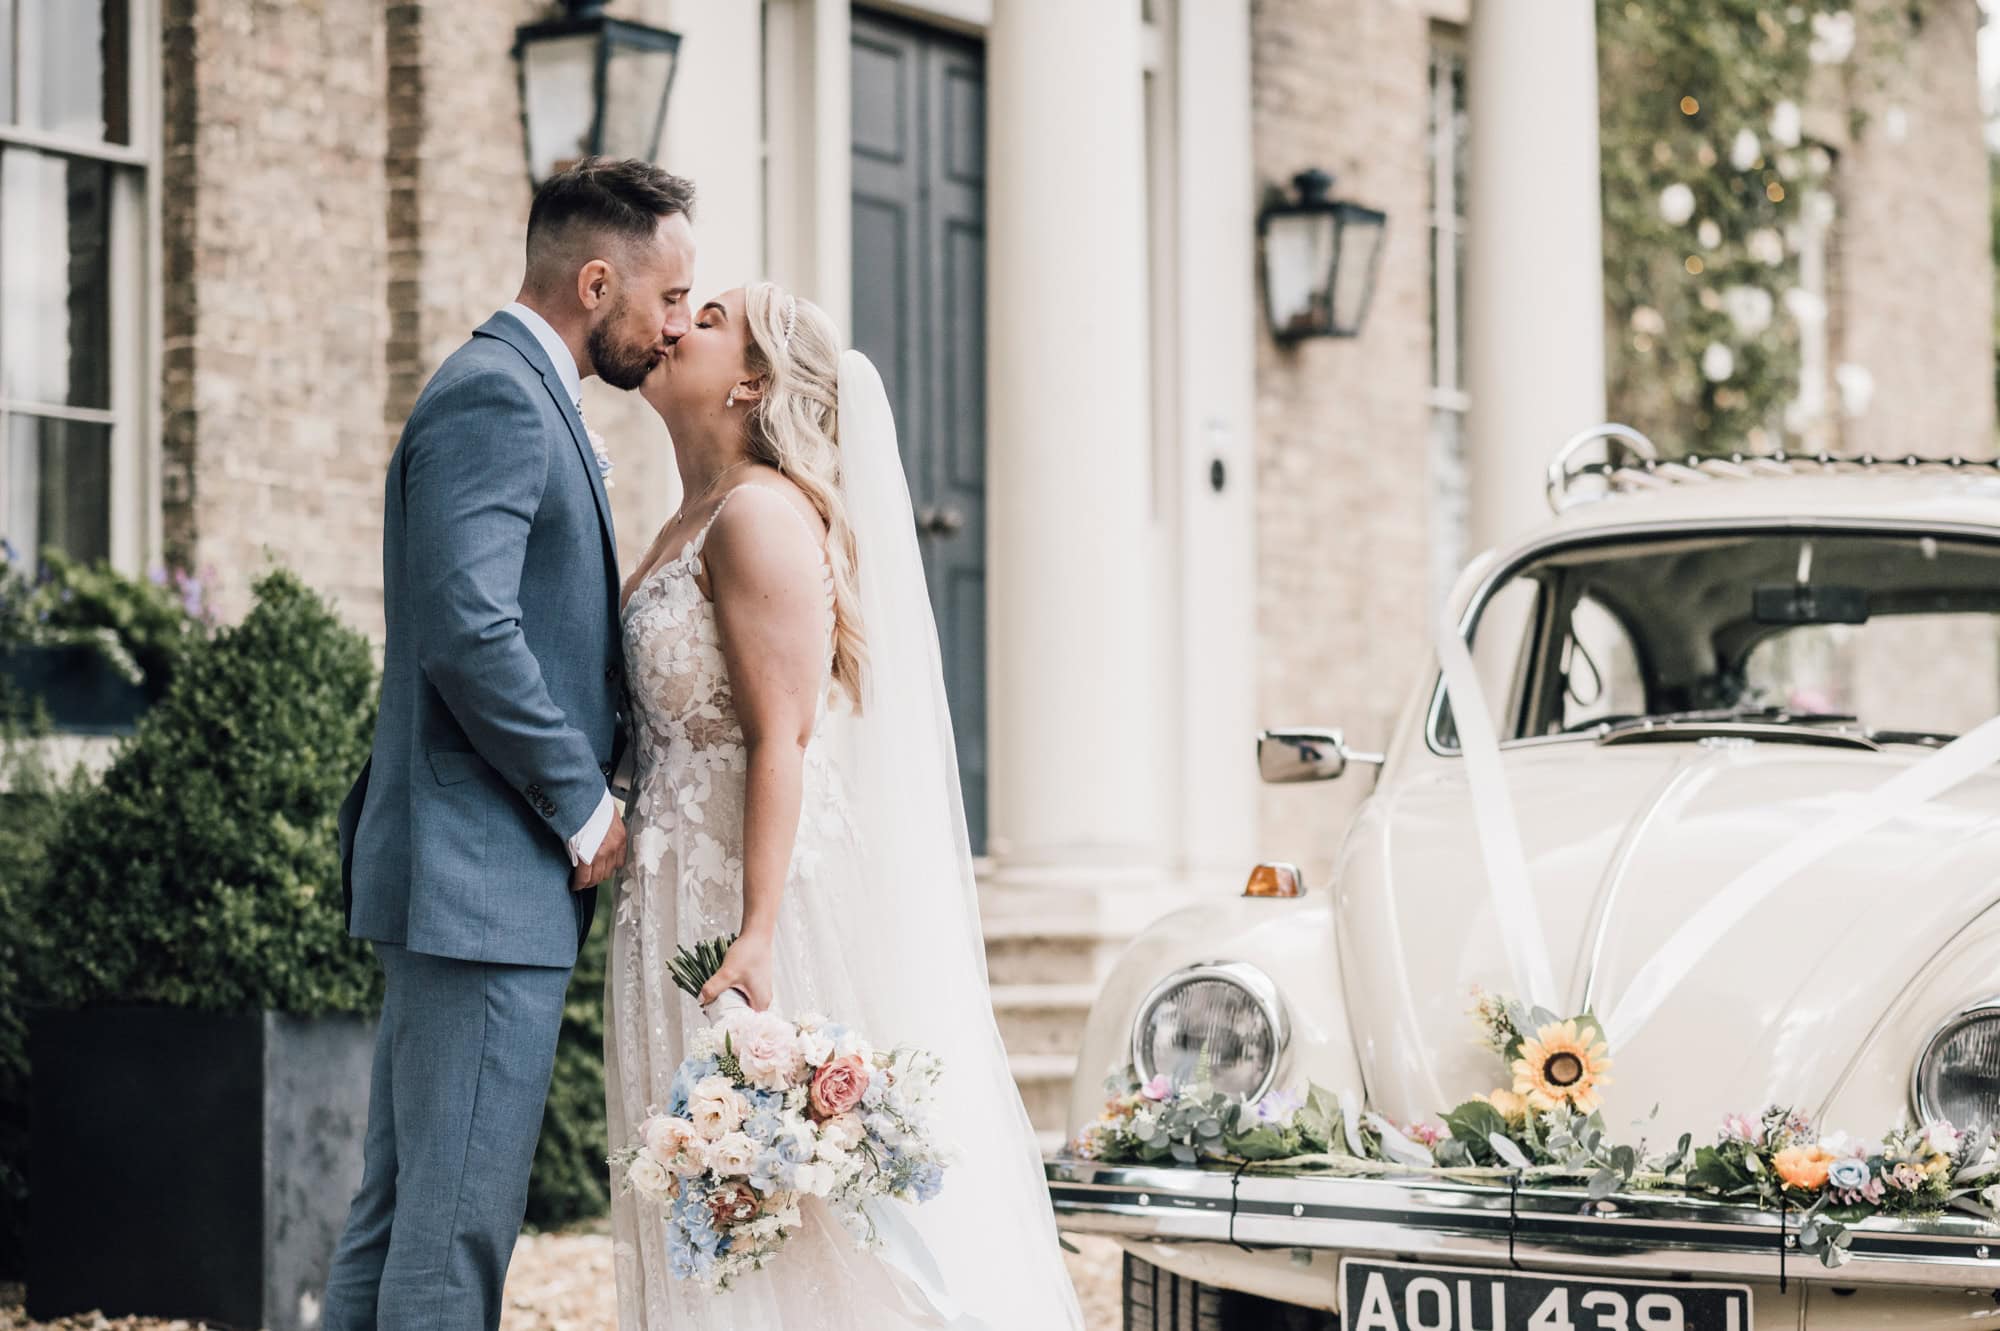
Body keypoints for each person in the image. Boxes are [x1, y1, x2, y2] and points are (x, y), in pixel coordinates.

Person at [604, 281, 1085, 1328]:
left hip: (747, 899)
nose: (679, 321)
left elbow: (786, 736)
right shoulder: (686, 516)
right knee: (705, 1199)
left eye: (713, 315)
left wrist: (760, 933)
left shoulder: (758, 515)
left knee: (789, 1207)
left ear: (751, 381)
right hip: (668, 895)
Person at [324, 156, 696, 1331]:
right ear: (597, 282)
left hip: (471, 877)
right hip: (483, 874)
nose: (679, 325)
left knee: (402, 1218)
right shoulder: (493, 394)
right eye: (669, 297)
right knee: (451, 1239)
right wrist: (582, 806)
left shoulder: (520, 392)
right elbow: (467, 628)